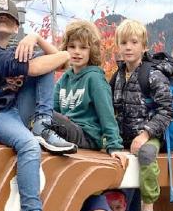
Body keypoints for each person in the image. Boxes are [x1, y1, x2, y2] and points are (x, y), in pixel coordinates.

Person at [0, 0, 74, 211]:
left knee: (43, 58)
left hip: (16, 109)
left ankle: (42, 122)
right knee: (29, 146)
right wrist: (39, 49)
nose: (3, 21)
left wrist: (36, 39)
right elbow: (46, 64)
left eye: (8, 18)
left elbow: (64, 62)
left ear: (16, 27)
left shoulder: (16, 50)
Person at [111, 19, 173, 211]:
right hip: (123, 136)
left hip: (150, 135)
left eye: (134, 42)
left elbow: (166, 111)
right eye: (124, 42)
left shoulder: (153, 75)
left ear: (144, 46)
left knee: (146, 154)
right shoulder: (117, 76)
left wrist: (145, 133)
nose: (128, 47)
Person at [51, 20, 124, 153]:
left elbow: (106, 114)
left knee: (44, 114)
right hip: (66, 129)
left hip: (87, 135)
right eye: (72, 47)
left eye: (83, 47)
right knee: (41, 111)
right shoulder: (64, 78)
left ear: (92, 50)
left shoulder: (95, 78)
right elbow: (53, 108)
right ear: (65, 49)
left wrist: (114, 146)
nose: (77, 52)